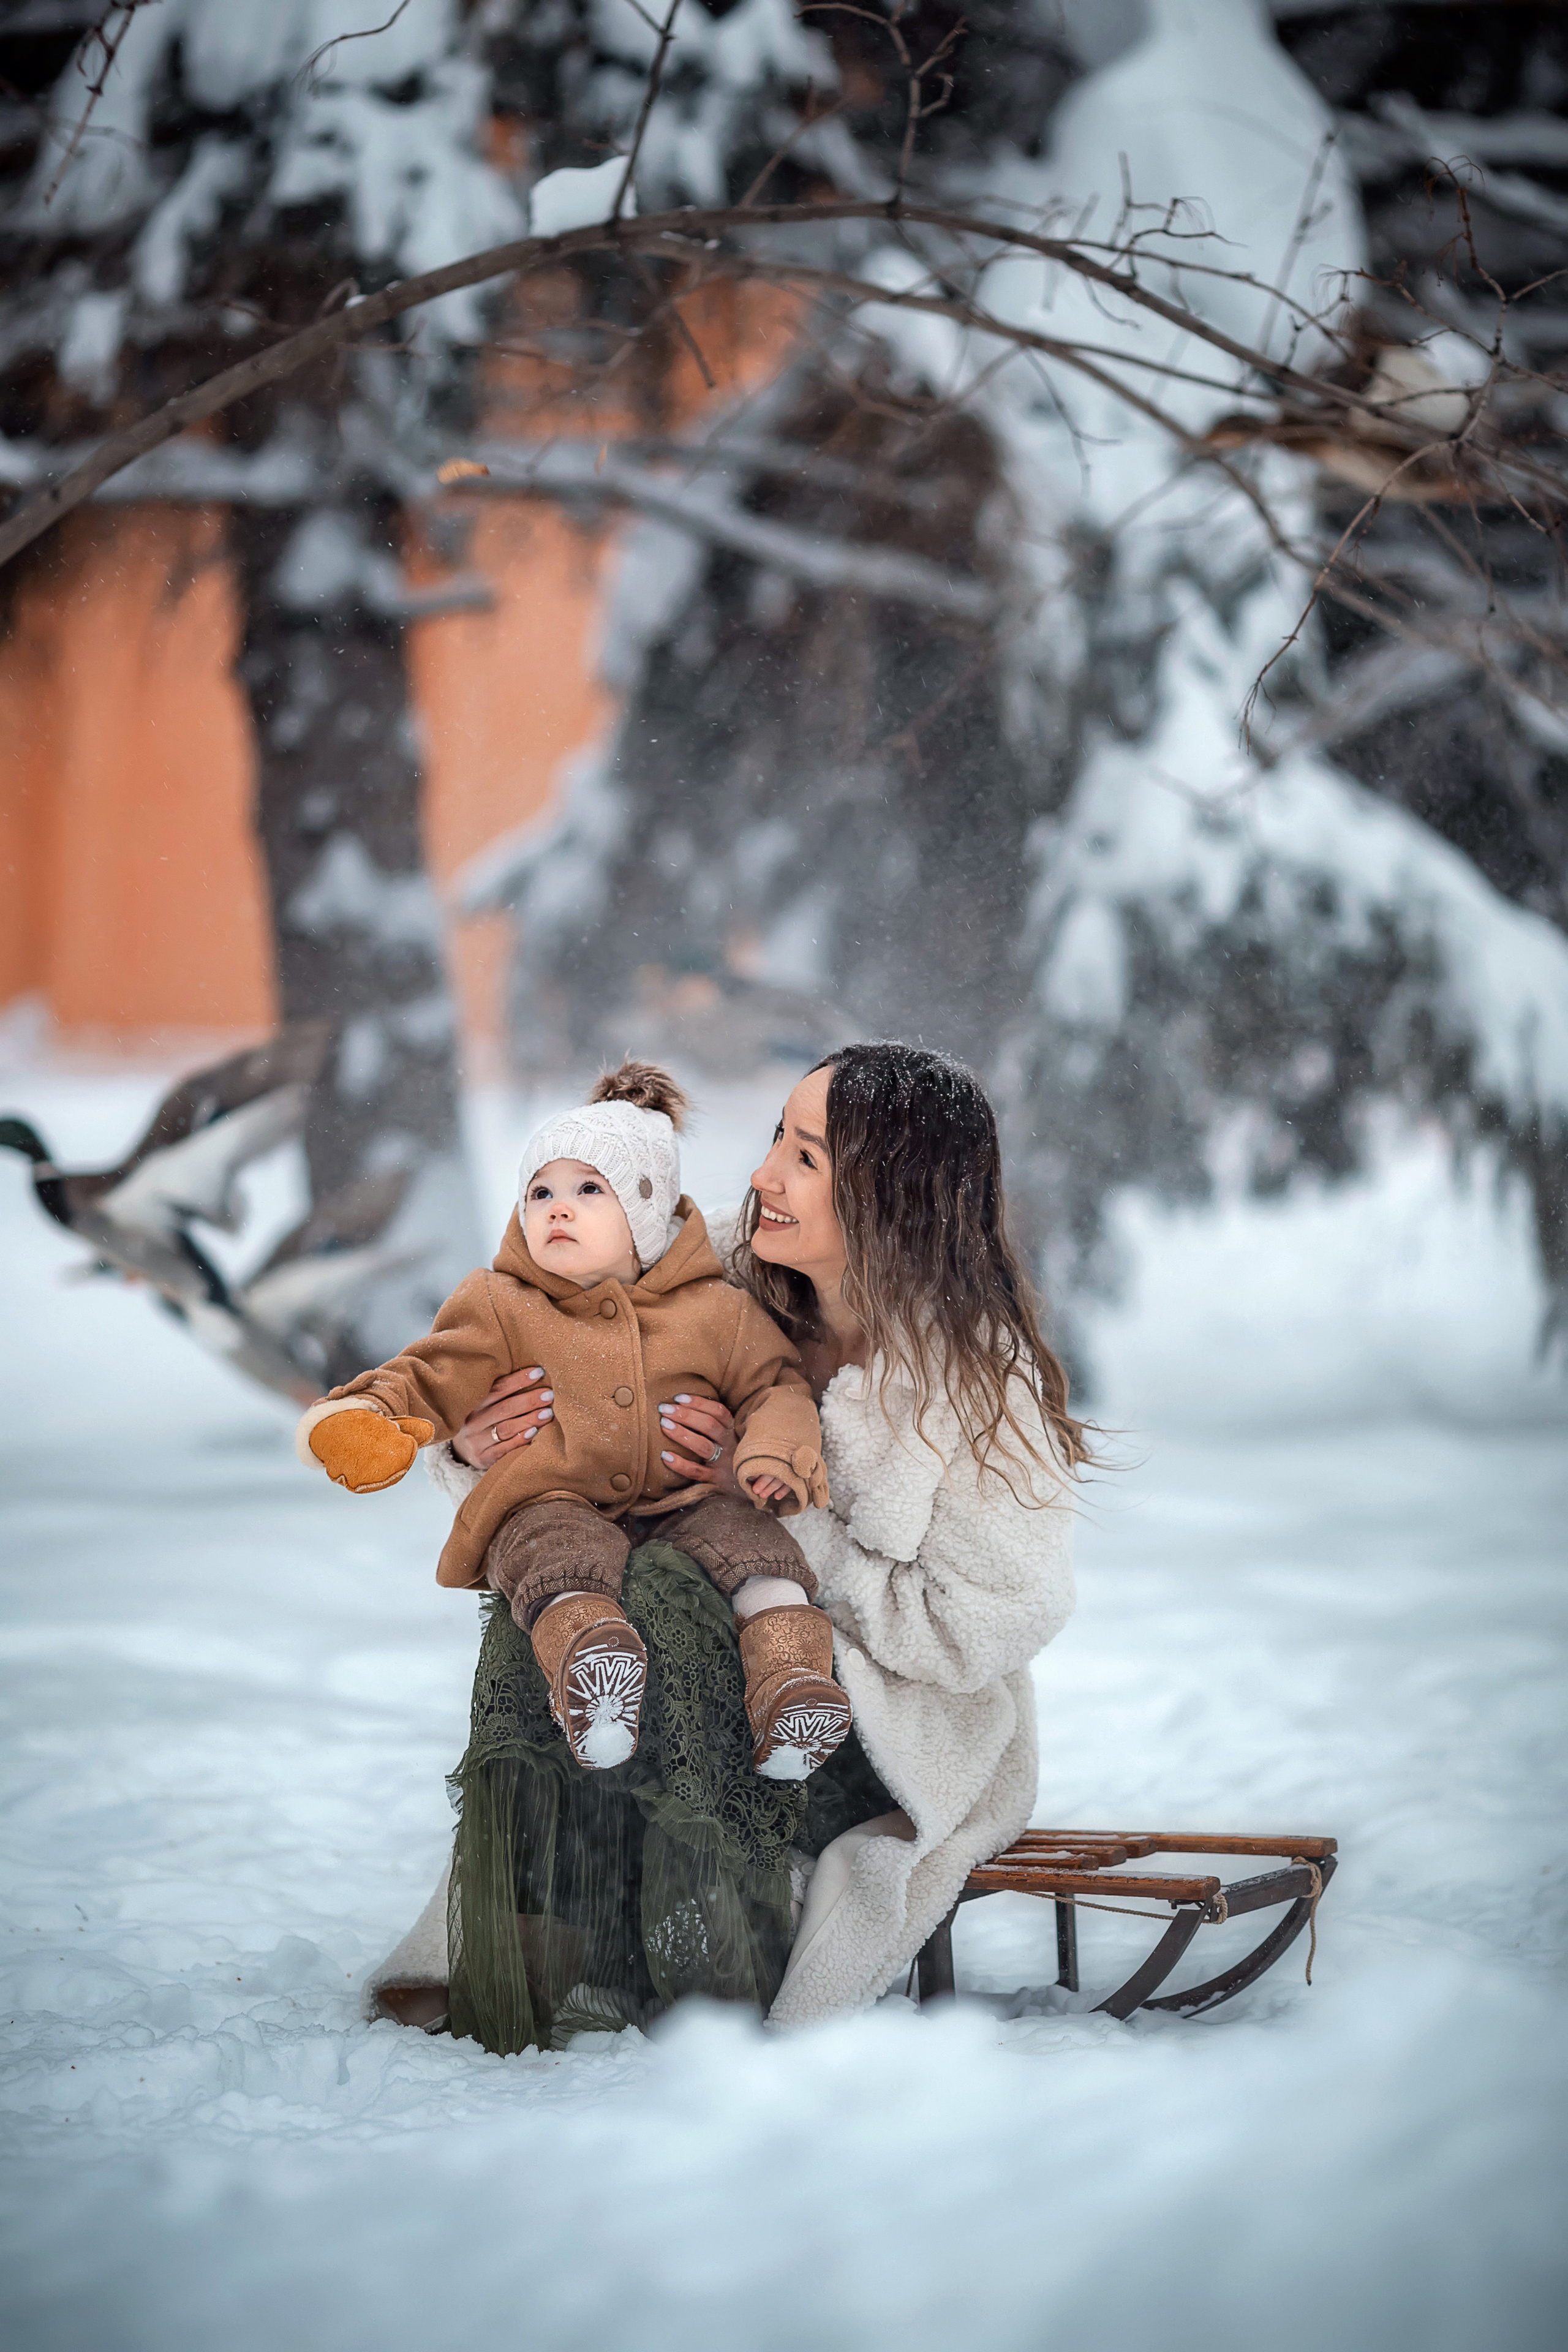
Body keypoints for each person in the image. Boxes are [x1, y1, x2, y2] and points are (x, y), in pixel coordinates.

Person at [367, 1043, 1085, 2045]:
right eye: (777, 1140)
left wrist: (778, 1518)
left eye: (806, 1158)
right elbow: (531, 1349)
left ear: (893, 1195)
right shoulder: (706, 1276)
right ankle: (529, 1914)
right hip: (674, 1684)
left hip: (883, 1733)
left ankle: (711, 1945)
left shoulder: (973, 1385)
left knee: (666, 1581)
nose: (762, 1175)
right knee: (566, 1585)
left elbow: (982, 1627)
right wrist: (477, 1441)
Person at [296, 1061, 851, 1782]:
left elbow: (775, 1388)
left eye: (589, 1190)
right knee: (552, 1555)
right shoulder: (500, 1304)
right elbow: (435, 1370)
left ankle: (792, 1686)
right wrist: (374, 1415)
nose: (558, 1209)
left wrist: (772, 1453)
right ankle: (594, 1676)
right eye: (541, 1193)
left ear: (646, 1213)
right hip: (553, 1498)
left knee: (761, 1556)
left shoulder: (717, 1310)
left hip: (690, 1498)